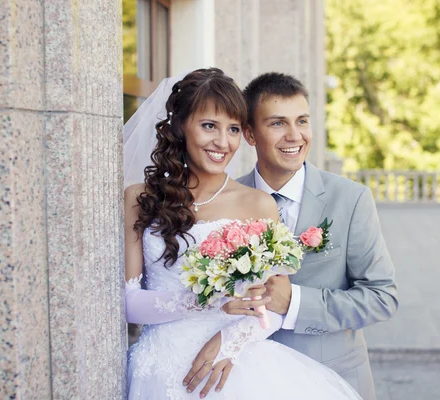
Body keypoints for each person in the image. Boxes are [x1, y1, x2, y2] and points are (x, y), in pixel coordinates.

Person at [123, 68, 362, 399]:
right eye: (209, 126)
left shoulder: (257, 203)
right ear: (181, 126)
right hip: (158, 367)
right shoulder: (139, 198)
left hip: (232, 371)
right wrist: (206, 302)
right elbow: (130, 302)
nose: (223, 142)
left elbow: (275, 302)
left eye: (233, 129)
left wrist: (229, 343)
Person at [189, 72, 398, 400]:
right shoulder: (224, 200)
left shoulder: (351, 198)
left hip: (332, 378)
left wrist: (296, 303)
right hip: (244, 380)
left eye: (302, 121)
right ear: (249, 133)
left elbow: (382, 298)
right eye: (277, 123)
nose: (294, 135)